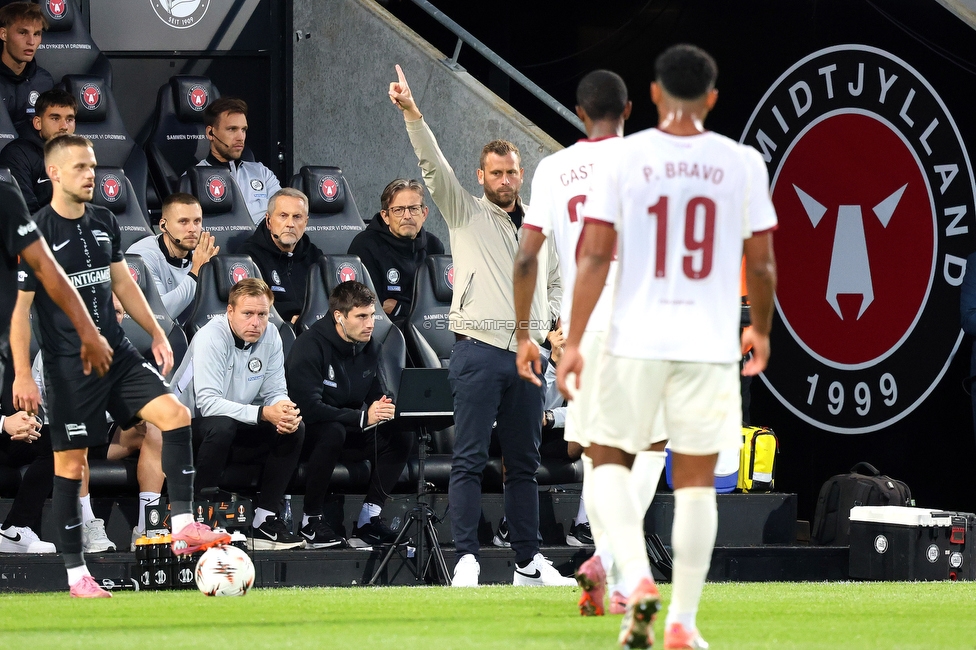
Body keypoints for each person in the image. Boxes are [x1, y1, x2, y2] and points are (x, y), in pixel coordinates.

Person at [558, 45, 777, 648]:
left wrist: (573, 340)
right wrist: (760, 328)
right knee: (698, 485)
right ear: (712, 98)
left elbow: (594, 256)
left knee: (606, 461)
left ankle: (635, 576)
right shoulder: (743, 163)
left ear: (653, 95)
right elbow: (762, 263)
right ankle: (682, 620)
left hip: (634, 340)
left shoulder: (623, 159)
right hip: (707, 344)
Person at [10, 134, 229, 599]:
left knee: (176, 416)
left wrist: (156, 331)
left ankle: (182, 524)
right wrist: (24, 373)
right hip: (70, 363)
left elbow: (124, 285)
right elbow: (20, 312)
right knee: (70, 464)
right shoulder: (35, 233)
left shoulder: (105, 220)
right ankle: (78, 576)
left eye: (93, 166)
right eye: (81, 167)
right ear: (54, 173)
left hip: (117, 352)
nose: (92, 175)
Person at [389, 65, 572, 588]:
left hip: (530, 357)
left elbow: (556, 281)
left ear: (521, 173)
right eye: (496, 173)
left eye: (511, 172)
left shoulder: (540, 225)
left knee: (523, 463)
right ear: (480, 176)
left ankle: (527, 563)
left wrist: (551, 324)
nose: (505, 180)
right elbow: (432, 165)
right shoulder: (463, 211)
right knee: (468, 458)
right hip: (478, 350)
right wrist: (412, 113)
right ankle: (466, 558)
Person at [513, 70, 669, 618]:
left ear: (579, 112)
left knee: (600, 451)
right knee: (651, 446)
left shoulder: (554, 169)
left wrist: (525, 334)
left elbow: (527, 257)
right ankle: (614, 559)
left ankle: (609, 555)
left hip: (587, 322)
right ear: (628, 108)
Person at [170, 278, 306, 551]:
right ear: (230, 312)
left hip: (235, 424)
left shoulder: (271, 335)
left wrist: (283, 409)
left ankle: (264, 519)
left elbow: (275, 390)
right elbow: (208, 404)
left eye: (262, 314)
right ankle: (200, 516)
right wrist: (263, 413)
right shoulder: (211, 336)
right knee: (222, 426)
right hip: (186, 429)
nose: (256, 322)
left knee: (293, 428)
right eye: (248, 314)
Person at [30, 293, 165, 553]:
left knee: (154, 428)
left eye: (117, 312)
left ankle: (147, 526)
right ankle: (87, 524)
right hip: (57, 438)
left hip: (103, 433)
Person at [285, 281, 411, 549]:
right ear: (339, 317)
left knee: (400, 434)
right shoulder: (310, 344)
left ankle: (369, 520)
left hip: (348, 432)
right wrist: (362, 418)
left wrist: (386, 408)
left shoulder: (371, 347)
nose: (370, 324)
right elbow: (307, 407)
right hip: (309, 434)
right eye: (361, 316)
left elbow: (376, 396)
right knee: (333, 431)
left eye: (372, 316)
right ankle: (310, 521)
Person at [347, 179, 445, 326]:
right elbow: (371, 306)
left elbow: (439, 306)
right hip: (384, 329)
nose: (407, 216)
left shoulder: (434, 246)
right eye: (398, 210)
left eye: (414, 209)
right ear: (385, 216)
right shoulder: (366, 245)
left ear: (424, 213)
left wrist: (399, 307)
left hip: (429, 327)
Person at [183, 97, 281, 224]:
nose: (240, 137)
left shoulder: (262, 173)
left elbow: (283, 212)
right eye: (232, 129)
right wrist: (262, 209)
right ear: (210, 133)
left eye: (243, 130)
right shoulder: (193, 179)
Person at [126, 192, 219, 323]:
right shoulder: (143, 255)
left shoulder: (203, 253)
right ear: (163, 225)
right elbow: (161, 314)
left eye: (197, 221)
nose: (192, 229)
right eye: (183, 222)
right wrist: (196, 271)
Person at [238, 188, 322, 323]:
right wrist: (288, 317)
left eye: (297, 217)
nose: (290, 224)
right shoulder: (249, 257)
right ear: (268, 221)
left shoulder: (315, 256)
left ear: (306, 222)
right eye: (283, 216)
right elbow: (251, 305)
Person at [0, 88, 75, 213]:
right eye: (55, 118)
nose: (64, 126)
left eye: (69, 119)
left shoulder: (77, 154)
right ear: (38, 123)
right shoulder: (16, 155)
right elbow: (25, 211)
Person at [0, 2, 52, 132]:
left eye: (36, 34)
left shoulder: (44, 81)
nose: (31, 42)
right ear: (3, 34)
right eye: (23, 33)